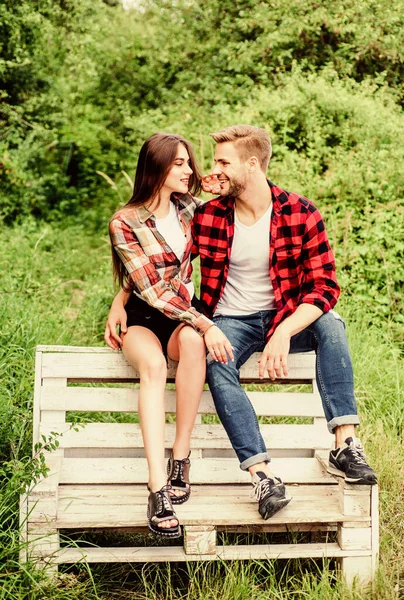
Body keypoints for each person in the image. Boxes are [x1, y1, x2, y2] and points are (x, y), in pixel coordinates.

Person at [107, 125, 377, 523]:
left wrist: (284, 331)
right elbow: (159, 268)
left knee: (331, 324)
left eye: (221, 162)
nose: (210, 170)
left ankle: (346, 442)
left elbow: (325, 287)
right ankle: (262, 476)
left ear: (252, 165)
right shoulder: (207, 215)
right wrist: (122, 297)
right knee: (217, 358)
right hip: (230, 319)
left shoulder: (300, 213)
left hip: (284, 317)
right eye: (209, 163)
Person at [106, 132, 233, 538]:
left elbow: (238, 213)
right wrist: (205, 321)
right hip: (142, 318)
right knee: (156, 366)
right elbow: (152, 287)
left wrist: (223, 191)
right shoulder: (124, 221)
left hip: (182, 317)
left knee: (193, 343)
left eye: (189, 163)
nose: (189, 170)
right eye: (179, 163)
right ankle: (157, 486)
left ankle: (181, 459)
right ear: (157, 167)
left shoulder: (190, 210)